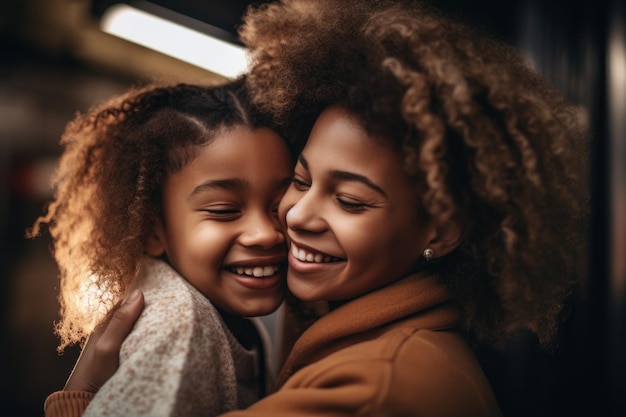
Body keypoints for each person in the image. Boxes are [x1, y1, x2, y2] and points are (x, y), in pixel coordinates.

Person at [42, 0, 589, 416]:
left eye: (349, 200)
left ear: (442, 231)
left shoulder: (374, 387)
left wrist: (82, 394)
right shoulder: (376, 344)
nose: (296, 216)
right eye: (301, 181)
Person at [29, 79, 294, 416]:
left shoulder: (226, 313)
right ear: (153, 228)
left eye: (282, 204)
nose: (265, 234)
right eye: (225, 210)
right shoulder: (178, 327)